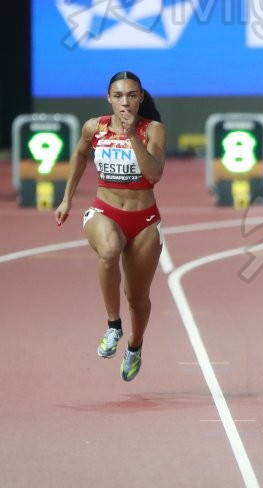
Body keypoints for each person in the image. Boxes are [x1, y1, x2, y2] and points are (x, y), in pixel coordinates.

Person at [54, 71, 166, 382]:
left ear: (140, 98)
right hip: (105, 210)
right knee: (109, 251)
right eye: (118, 96)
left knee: (137, 298)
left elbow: (154, 175)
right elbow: (78, 155)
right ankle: (113, 326)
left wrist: (132, 136)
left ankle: (135, 345)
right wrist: (67, 199)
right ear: (109, 98)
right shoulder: (95, 127)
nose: (125, 102)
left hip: (143, 220)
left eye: (131, 95)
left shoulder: (152, 130)